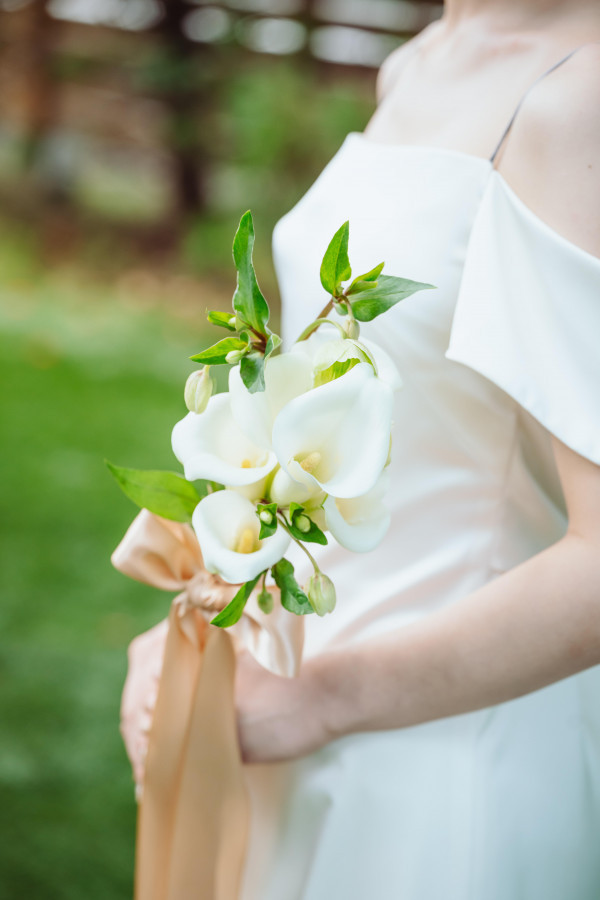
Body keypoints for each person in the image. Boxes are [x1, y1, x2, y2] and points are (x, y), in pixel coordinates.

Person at [122, 1, 600, 896]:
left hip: (446, 762)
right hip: (296, 706)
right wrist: (210, 623)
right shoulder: (422, 58)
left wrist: (325, 699)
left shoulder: (581, 99)